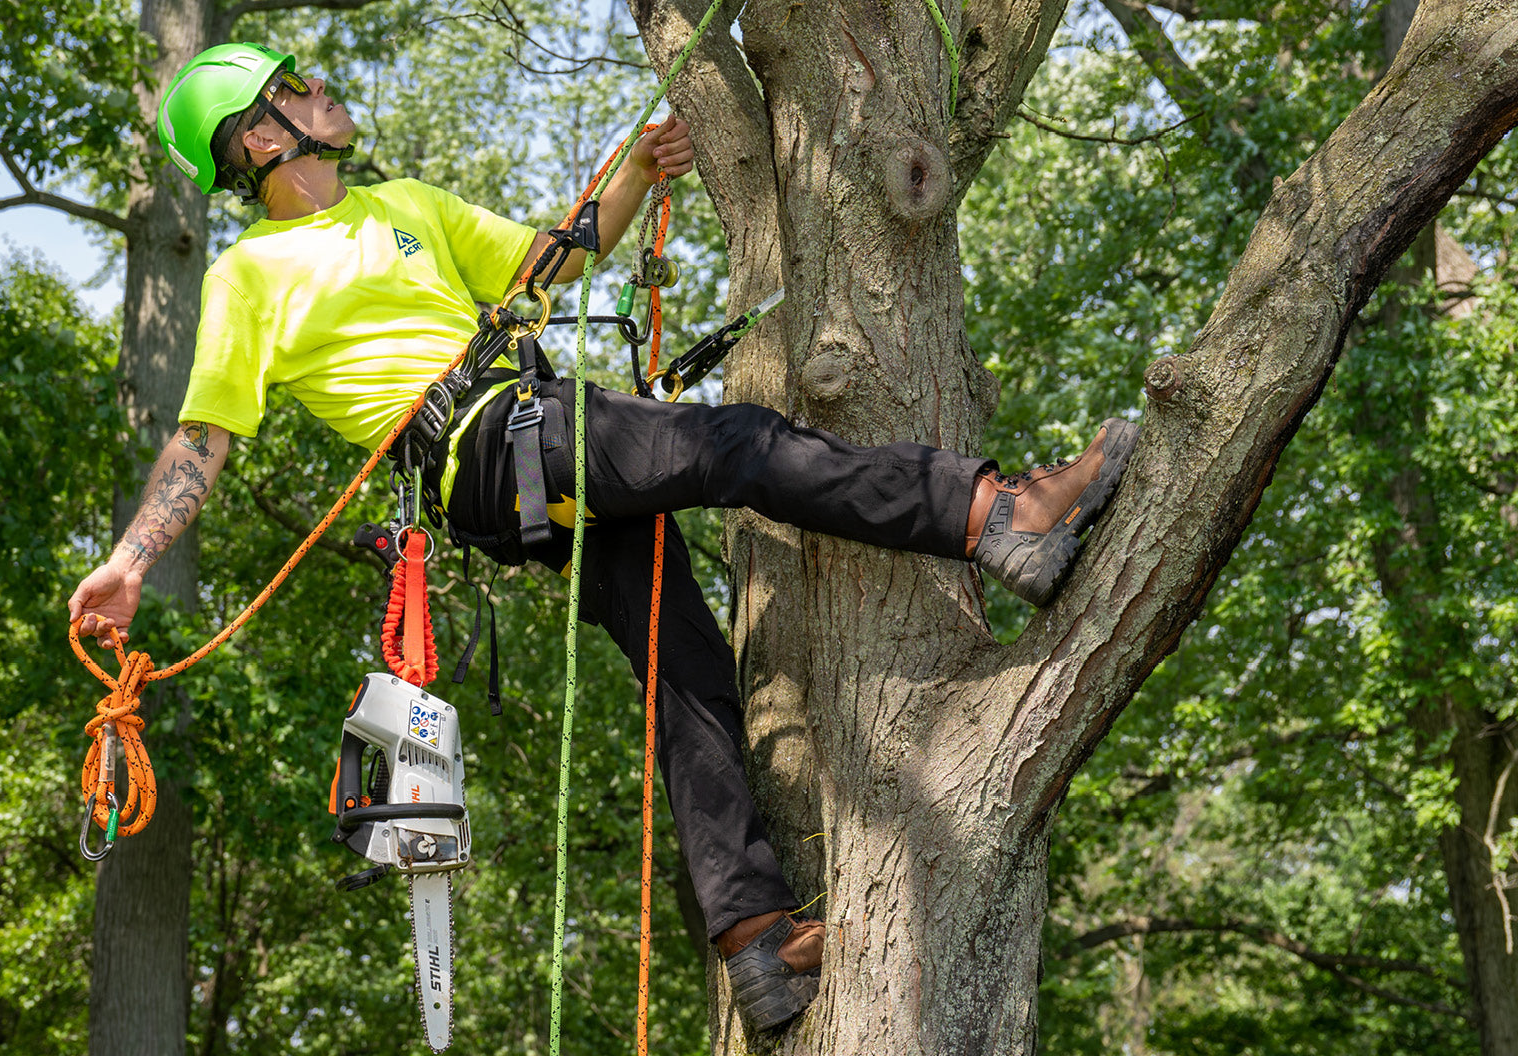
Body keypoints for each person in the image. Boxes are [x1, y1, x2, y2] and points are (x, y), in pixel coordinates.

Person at [68, 42, 1138, 1032]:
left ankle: (755, 939)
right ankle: (997, 514)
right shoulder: (250, 276)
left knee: (685, 662)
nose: (319, 89)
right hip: (490, 446)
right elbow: (204, 437)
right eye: (292, 87)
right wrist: (132, 560)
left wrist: (633, 172)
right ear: (261, 140)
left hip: (528, 454)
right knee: (736, 443)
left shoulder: (407, 207)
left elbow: (548, 262)